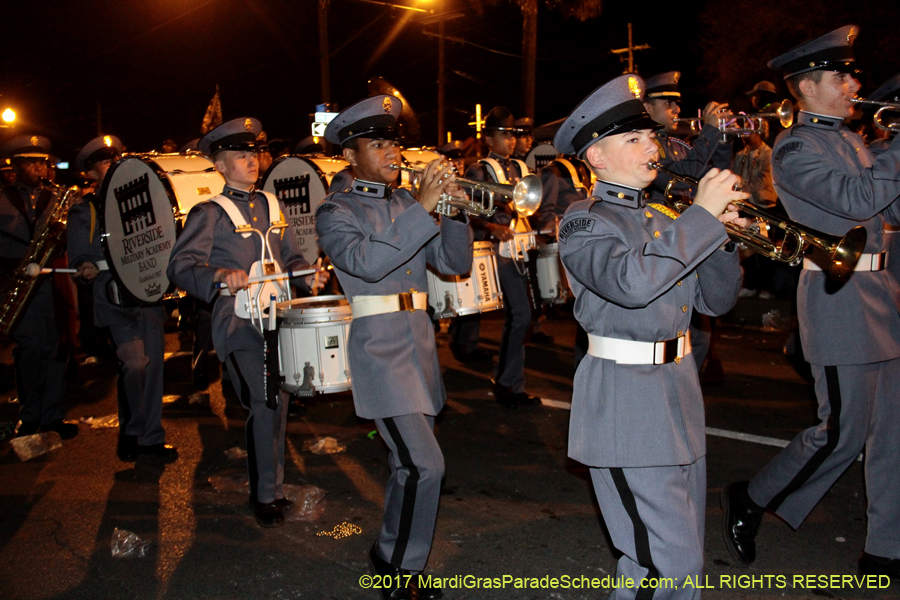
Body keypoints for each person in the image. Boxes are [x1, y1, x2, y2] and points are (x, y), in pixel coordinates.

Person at [556, 73, 747, 599]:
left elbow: (717, 302)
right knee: (663, 564)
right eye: (633, 139)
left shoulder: (665, 217)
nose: (653, 146)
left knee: (676, 563)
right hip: (624, 402)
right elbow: (632, 283)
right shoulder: (583, 222)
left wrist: (723, 236)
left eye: (650, 136)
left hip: (678, 394)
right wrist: (701, 220)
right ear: (596, 157)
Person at [722, 25, 900, 580]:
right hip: (838, 297)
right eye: (841, 76)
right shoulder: (798, 147)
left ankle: (887, 546)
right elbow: (855, 199)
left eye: (851, 75)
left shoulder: (850, 140)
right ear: (807, 87)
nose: (854, 83)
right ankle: (752, 497)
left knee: (894, 432)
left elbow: (885, 214)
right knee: (842, 430)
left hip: (882, 295)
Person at [316, 95, 473, 600]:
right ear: (350, 155)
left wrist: (454, 212)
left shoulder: (407, 203)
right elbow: (364, 262)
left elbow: (452, 263)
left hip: (420, 346)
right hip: (380, 350)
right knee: (425, 465)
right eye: (377, 143)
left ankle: (392, 549)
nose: (392, 152)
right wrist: (425, 208)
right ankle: (397, 568)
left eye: (394, 142)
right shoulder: (335, 210)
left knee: (410, 465)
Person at [167, 118, 320, 528]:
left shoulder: (272, 204)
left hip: (279, 317)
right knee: (264, 400)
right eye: (240, 155)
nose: (251, 161)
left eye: (253, 153)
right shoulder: (209, 212)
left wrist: (308, 274)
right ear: (219, 164)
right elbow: (180, 267)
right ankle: (264, 495)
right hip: (237, 321)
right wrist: (219, 275)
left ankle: (275, 486)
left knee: (280, 402)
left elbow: (290, 258)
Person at [67, 135, 177, 462]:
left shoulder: (147, 198)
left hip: (146, 295)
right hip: (113, 298)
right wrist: (83, 266)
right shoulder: (84, 209)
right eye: (103, 162)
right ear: (91, 173)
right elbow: (78, 257)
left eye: (115, 159)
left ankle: (150, 439)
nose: (111, 165)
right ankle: (131, 431)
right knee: (135, 365)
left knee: (154, 367)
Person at [643, 71, 735, 376]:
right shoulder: (645, 151)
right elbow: (686, 172)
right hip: (663, 248)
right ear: (647, 107)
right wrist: (708, 132)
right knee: (669, 333)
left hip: (691, 245)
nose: (676, 109)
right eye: (668, 103)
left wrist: (721, 136)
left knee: (702, 337)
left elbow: (715, 173)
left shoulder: (678, 145)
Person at [461, 106, 540, 407]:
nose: (510, 141)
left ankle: (509, 381)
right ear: (489, 139)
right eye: (504, 135)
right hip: (496, 250)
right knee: (520, 315)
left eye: (512, 136)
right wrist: (491, 225)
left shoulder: (520, 168)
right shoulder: (479, 170)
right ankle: (507, 384)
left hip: (520, 244)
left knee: (523, 317)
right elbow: (466, 211)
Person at [0, 135, 78, 439]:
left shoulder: (58, 197)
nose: (38, 168)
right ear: (16, 166)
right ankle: (30, 415)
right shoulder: (2, 198)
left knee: (58, 347)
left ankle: (53, 415)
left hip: (52, 280)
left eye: (41, 163)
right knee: (31, 350)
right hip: (17, 281)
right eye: (30, 162)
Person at [732, 122, 778, 298]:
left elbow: (765, 179)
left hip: (763, 206)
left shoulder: (769, 154)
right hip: (745, 205)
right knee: (746, 246)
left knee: (765, 248)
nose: (745, 136)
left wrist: (742, 186)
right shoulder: (740, 154)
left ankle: (766, 286)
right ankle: (750, 285)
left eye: (749, 132)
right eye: (743, 132)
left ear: (760, 133)